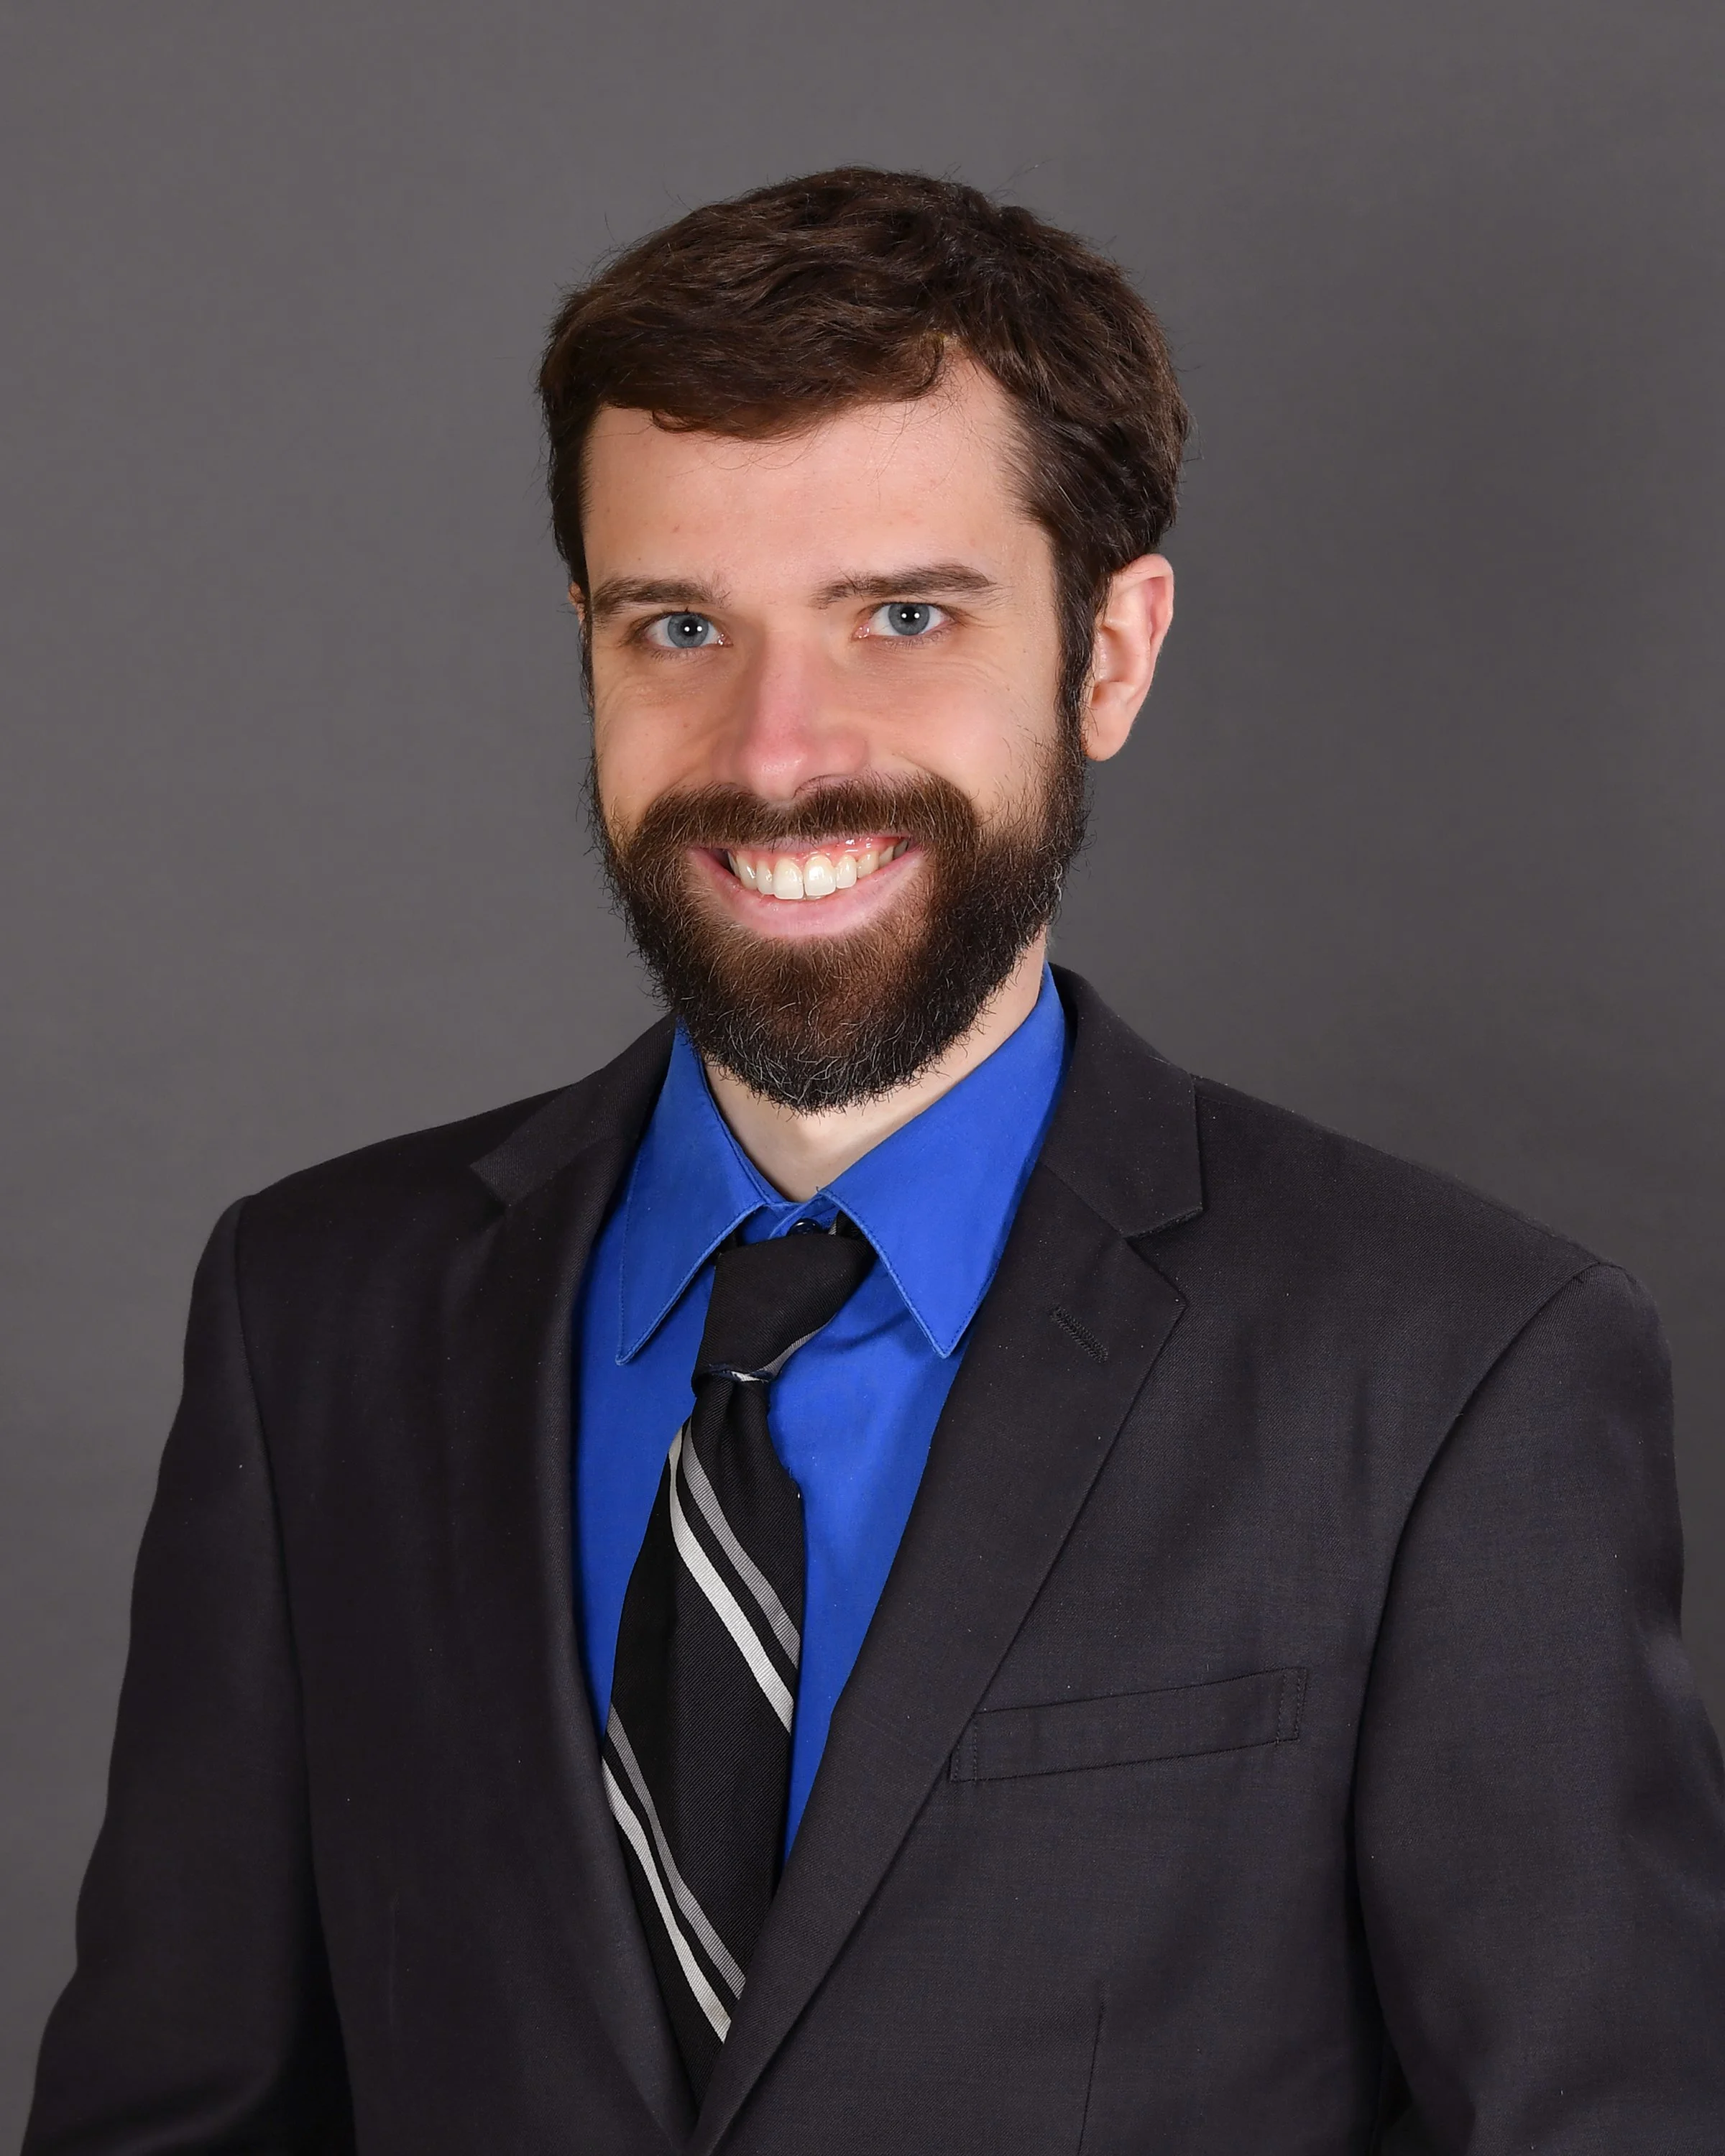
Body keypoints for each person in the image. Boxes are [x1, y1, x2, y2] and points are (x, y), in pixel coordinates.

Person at [24, 167, 1725, 2156]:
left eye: (904, 615)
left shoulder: (1455, 1363)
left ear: (1107, 653)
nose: (776, 750)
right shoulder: (313, 1314)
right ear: (583, 643)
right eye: (680, 625)